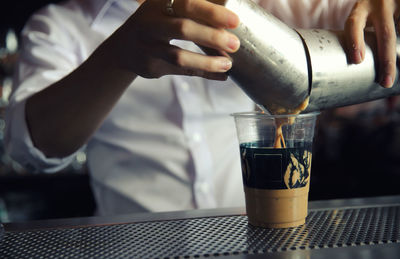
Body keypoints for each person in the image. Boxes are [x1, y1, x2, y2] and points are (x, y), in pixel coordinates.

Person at [4, 0, 399, 216]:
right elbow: (32, 149)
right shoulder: (60, 26)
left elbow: (366, 25)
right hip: (134, 255)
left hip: (263, 250)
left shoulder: (264, 7)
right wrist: (117, 57)